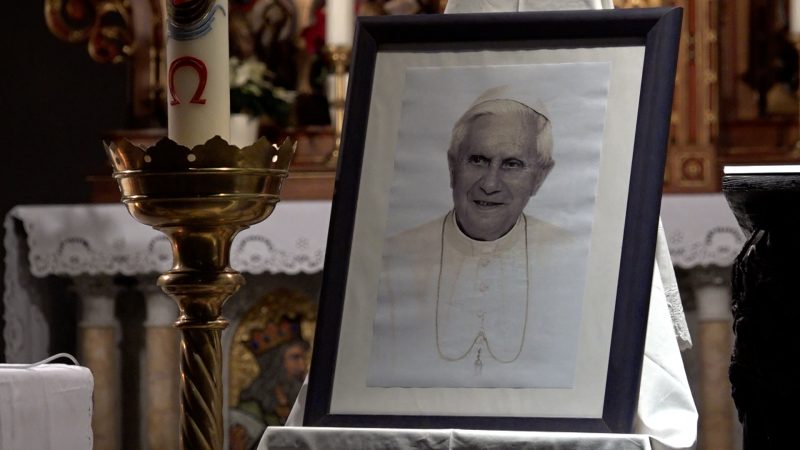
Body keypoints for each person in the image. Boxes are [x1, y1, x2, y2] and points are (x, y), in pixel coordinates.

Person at [368, 92, 585, 389]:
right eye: (478, 160)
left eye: (511, 164)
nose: (490, 183)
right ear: (452, 165)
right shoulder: (395, 258)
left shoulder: (574, 260)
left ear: (540, 177)